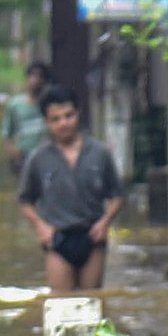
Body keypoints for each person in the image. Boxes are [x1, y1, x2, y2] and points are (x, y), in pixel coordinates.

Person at [17, 83, 124, 295]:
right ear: (46, 122)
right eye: (55, 119)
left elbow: (117, 195)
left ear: (78, 114)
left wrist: (105, 222)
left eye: (68, 116)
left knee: (92, 302)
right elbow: (24, 200)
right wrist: (41, 226)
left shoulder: (99, 153)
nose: (63, 123)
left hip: (92, 237)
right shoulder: (38, 159)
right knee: (61, 303)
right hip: (58, 239)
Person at [0, 60, 50, 174]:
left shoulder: (49, 105)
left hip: (45, 157)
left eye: (40, 76)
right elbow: (6, 134)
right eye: (33, 75)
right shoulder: (15, 105)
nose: (36, 80)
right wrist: (13, 153)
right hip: (23, 158)